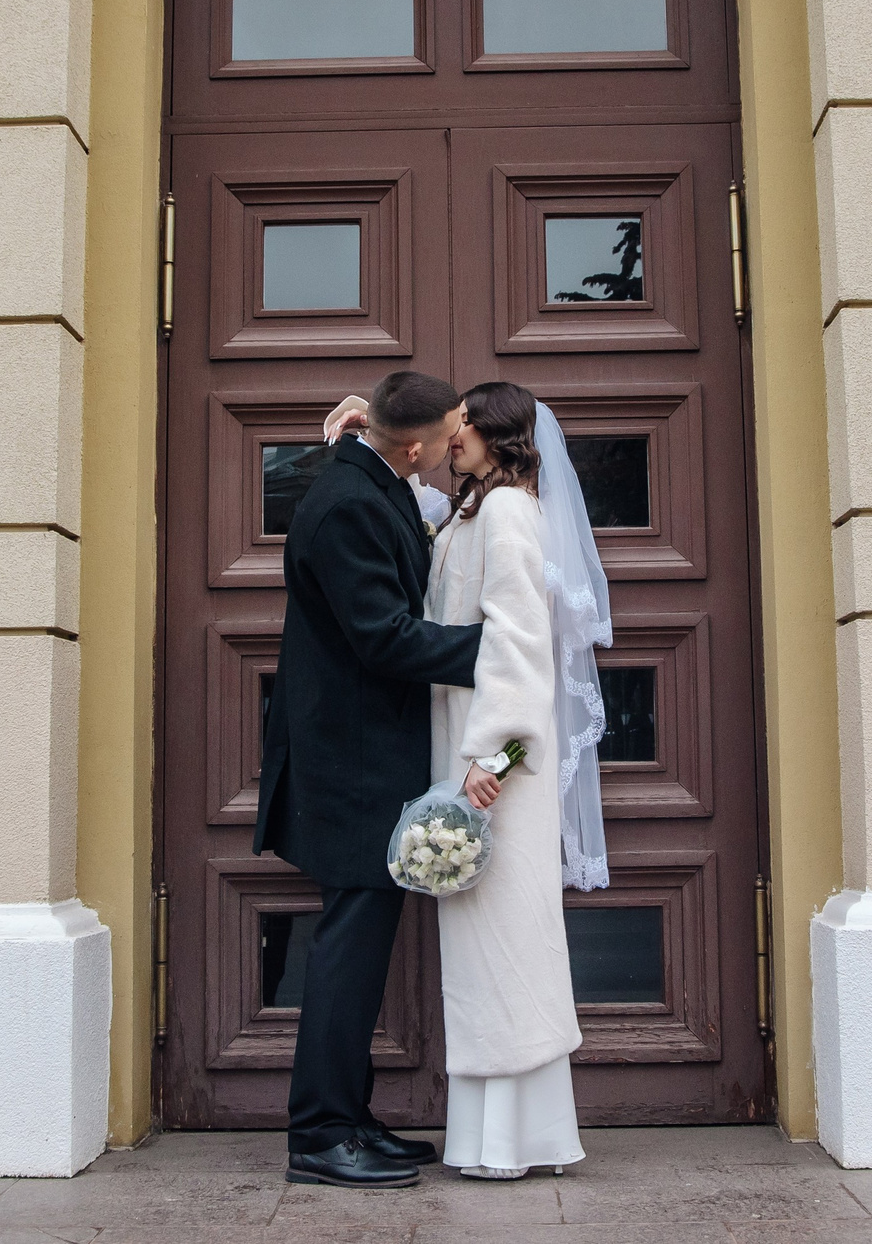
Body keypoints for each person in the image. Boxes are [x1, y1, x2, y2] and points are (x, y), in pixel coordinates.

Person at [330, 380, 613, 1180]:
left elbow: (521, 641)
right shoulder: (469, 513)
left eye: (467, 425)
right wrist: (362, 426)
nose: (454, 435)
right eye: (451, 424)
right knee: (482, 953)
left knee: (505, 948)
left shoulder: (513, 515)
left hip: (497, 773)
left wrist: (494, 756)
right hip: (469, 763)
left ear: (500, 435)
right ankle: (492, 1138)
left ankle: (521, 1139)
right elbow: (406, 491)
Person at [257, 369, 482, 1189]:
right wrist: (501, 649)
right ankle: (319, 1132)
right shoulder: (349, 502)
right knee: (347, 950)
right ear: (415, 447)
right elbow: (385, 638)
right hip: (347, 762)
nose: (454, 444)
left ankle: (350, 1115)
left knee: (360, 944)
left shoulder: (367, 472)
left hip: (360, 755)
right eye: (447, 433)